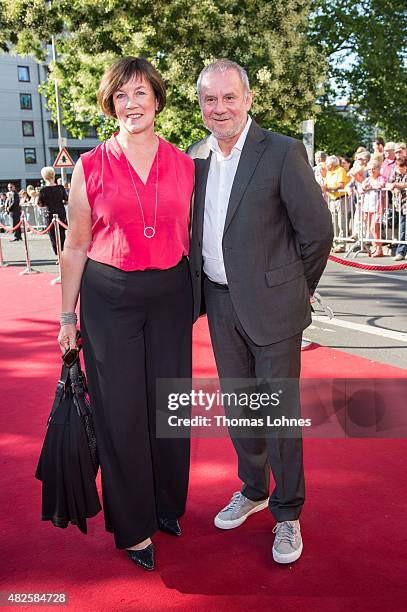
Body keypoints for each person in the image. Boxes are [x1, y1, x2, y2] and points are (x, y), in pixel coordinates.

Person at [188, 59, 333, 565]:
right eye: (210, 99)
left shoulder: (282, 152)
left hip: (274, 310)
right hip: (220, 302)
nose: (220, 108)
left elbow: (317, 233)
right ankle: (253, 488)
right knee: (240, 408)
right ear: (200, 104)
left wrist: (293, 291)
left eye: (230, 97)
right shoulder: (198, 155)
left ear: (248, 99)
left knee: (279, 414)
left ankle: (288, 514)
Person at [57, 57, 194, 571]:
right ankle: (134, 525)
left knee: (170, 404)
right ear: (109, 104)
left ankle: (166, 504)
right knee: (121, 413)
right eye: (120, 96)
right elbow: (74, 246)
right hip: (108, 296)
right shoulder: (88, 166)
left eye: (140, 93)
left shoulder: (185, 164)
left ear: (157, 100)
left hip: (170, 294)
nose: (131, 104)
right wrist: (66, 319)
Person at [37, 167, 68, 256]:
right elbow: (66, 199)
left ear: (44, 177)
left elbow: (39, 203)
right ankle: (63, 253)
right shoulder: (60, 188)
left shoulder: (43, 190)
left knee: (53, 236)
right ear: (53, 175)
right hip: (60, 213)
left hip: (49, 214)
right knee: (62, 234)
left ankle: (58, 255)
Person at [322, 155, 350, 252]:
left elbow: (341, 185)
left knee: (341, 222)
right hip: (332, 199)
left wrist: (328, 189)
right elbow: (325, 185)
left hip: (340, 199)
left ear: (332, 164)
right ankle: (335, 243)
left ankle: (342, 244)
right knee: (333, 222)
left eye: (327, 164)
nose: (326, 165)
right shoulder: (329, 173)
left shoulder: (340, 170)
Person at [361, 159, 386, 257]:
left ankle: (379, 249)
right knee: (371, 229)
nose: (371, 171)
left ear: (378, 169)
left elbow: (381, 185)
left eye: (373, 169)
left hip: (377, 207)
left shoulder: (381, 178)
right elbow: (361, 188)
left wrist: (370, 186)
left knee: (374, 227)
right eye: (369, 169)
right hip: (368, 207)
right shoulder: (367, 179)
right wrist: (364, 187)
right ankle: (376, 247)